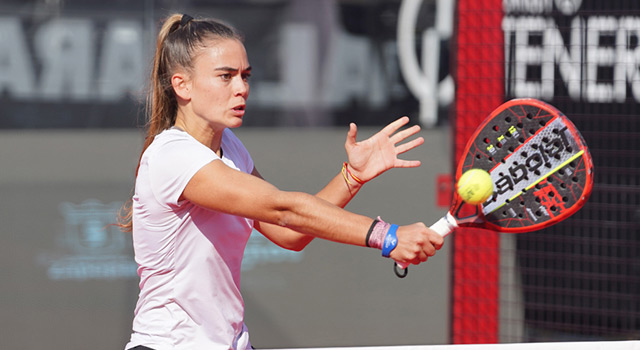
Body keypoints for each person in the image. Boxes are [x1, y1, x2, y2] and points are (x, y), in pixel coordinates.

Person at [119, 13, 444, 350]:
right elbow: (283, 209)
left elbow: (289, 234)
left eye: (245, 76)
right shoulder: (172, 156)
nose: (241, 88)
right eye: (225, 76)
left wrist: (352, 177)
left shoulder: (230, 147)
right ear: (181, 84)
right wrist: (386, 237)